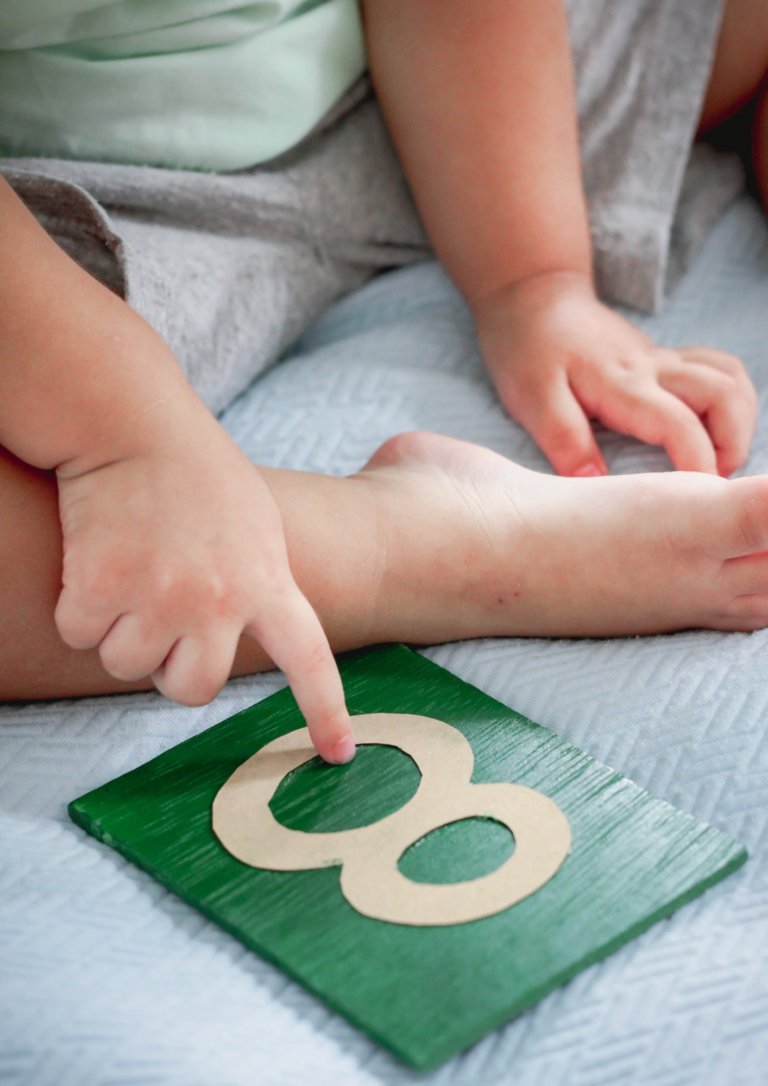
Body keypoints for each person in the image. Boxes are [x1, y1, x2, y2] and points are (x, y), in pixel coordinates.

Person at [1, 0, 768, 764]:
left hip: (444, 91)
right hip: (74, 218)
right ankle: (414, 548)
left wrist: (534, 279)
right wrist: (132, 439)